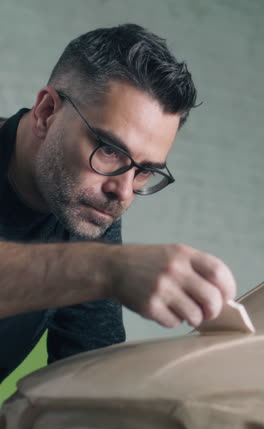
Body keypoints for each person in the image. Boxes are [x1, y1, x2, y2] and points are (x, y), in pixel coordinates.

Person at [0, 23, 236, 384]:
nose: (123, 192)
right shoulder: (91, 225)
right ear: (47, 112)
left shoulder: (84, 201)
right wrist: (107, 271)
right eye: (109, 150)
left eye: (144, 171)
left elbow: (86, 376)